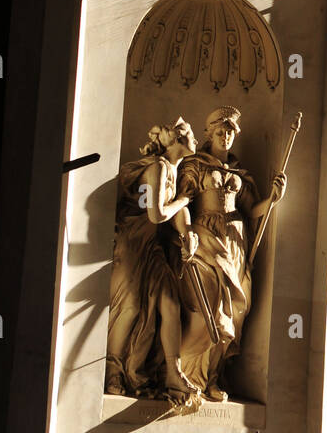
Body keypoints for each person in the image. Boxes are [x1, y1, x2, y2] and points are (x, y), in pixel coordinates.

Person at [175, 107, 286, 401]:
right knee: (208, 309)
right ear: (209, 132)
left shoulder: (239, 173)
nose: (226, 137)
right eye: (220, 131)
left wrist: (273, 199)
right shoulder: (194, 165)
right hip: (205, 237)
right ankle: (183, 371)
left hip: (236, 241)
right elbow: (184, 201)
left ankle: (212, 378)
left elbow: (252, 211)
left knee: (235, 312)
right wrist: (187, 234)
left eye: (230, 132)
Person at [106, 118, 199, 404]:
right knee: (131, 305)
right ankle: (113, 370)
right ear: (178, 140)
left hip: (152, 246)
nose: (196, 141)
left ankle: (174, 371)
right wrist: (184, 201)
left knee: (170, 304)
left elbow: (177, 218)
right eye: (192, 135)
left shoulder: (174, 170)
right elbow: (157, 215)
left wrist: (188, 235)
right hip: (133, 243)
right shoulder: (157, 167)